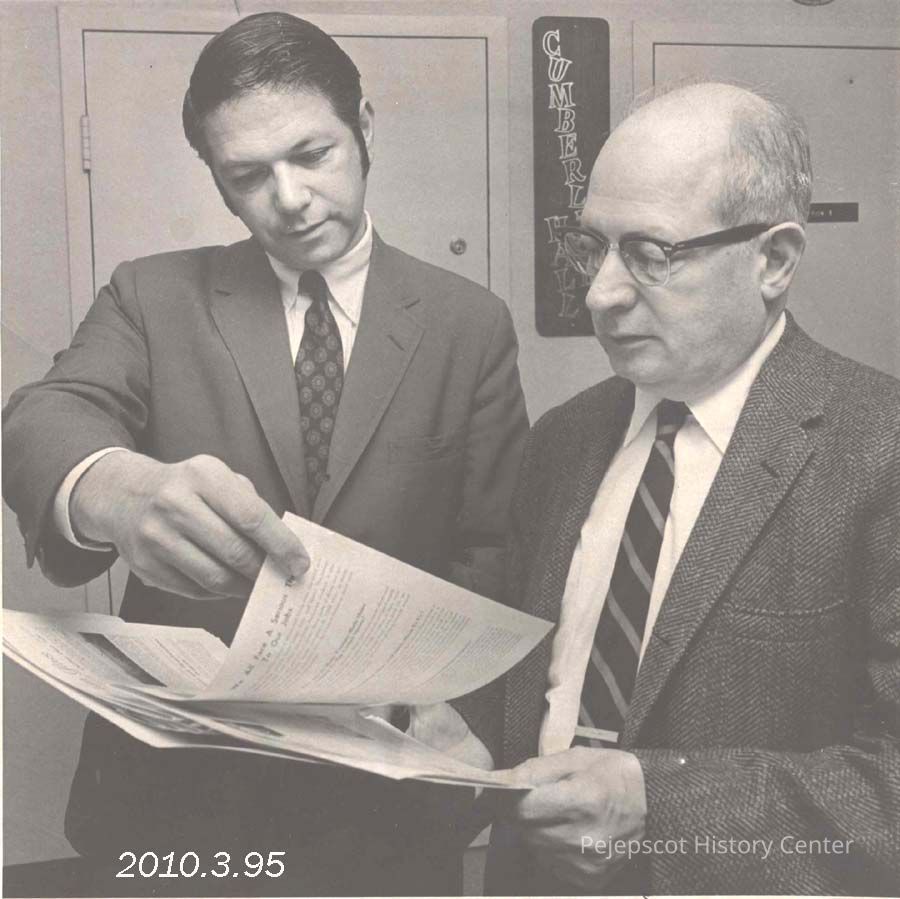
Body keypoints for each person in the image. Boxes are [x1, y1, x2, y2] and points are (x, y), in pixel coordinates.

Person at [2, 12, 526, 896]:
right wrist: (112, 489)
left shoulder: (468, 324)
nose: (289, 198)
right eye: (248, 174)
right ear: (217, 181)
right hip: (178, 806)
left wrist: (454, 724)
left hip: (386, 805)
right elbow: (42, 416)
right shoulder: (150, 296)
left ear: (364, 126)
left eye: (312, 154)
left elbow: (498, 551)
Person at [484, 82, 900, 894]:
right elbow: (532, 688)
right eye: (592, 247)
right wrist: (459, 736)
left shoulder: (877, 451)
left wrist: (663, 807)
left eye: (651, 253)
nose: (600, 292)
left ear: (774, 260)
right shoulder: (564, 439)